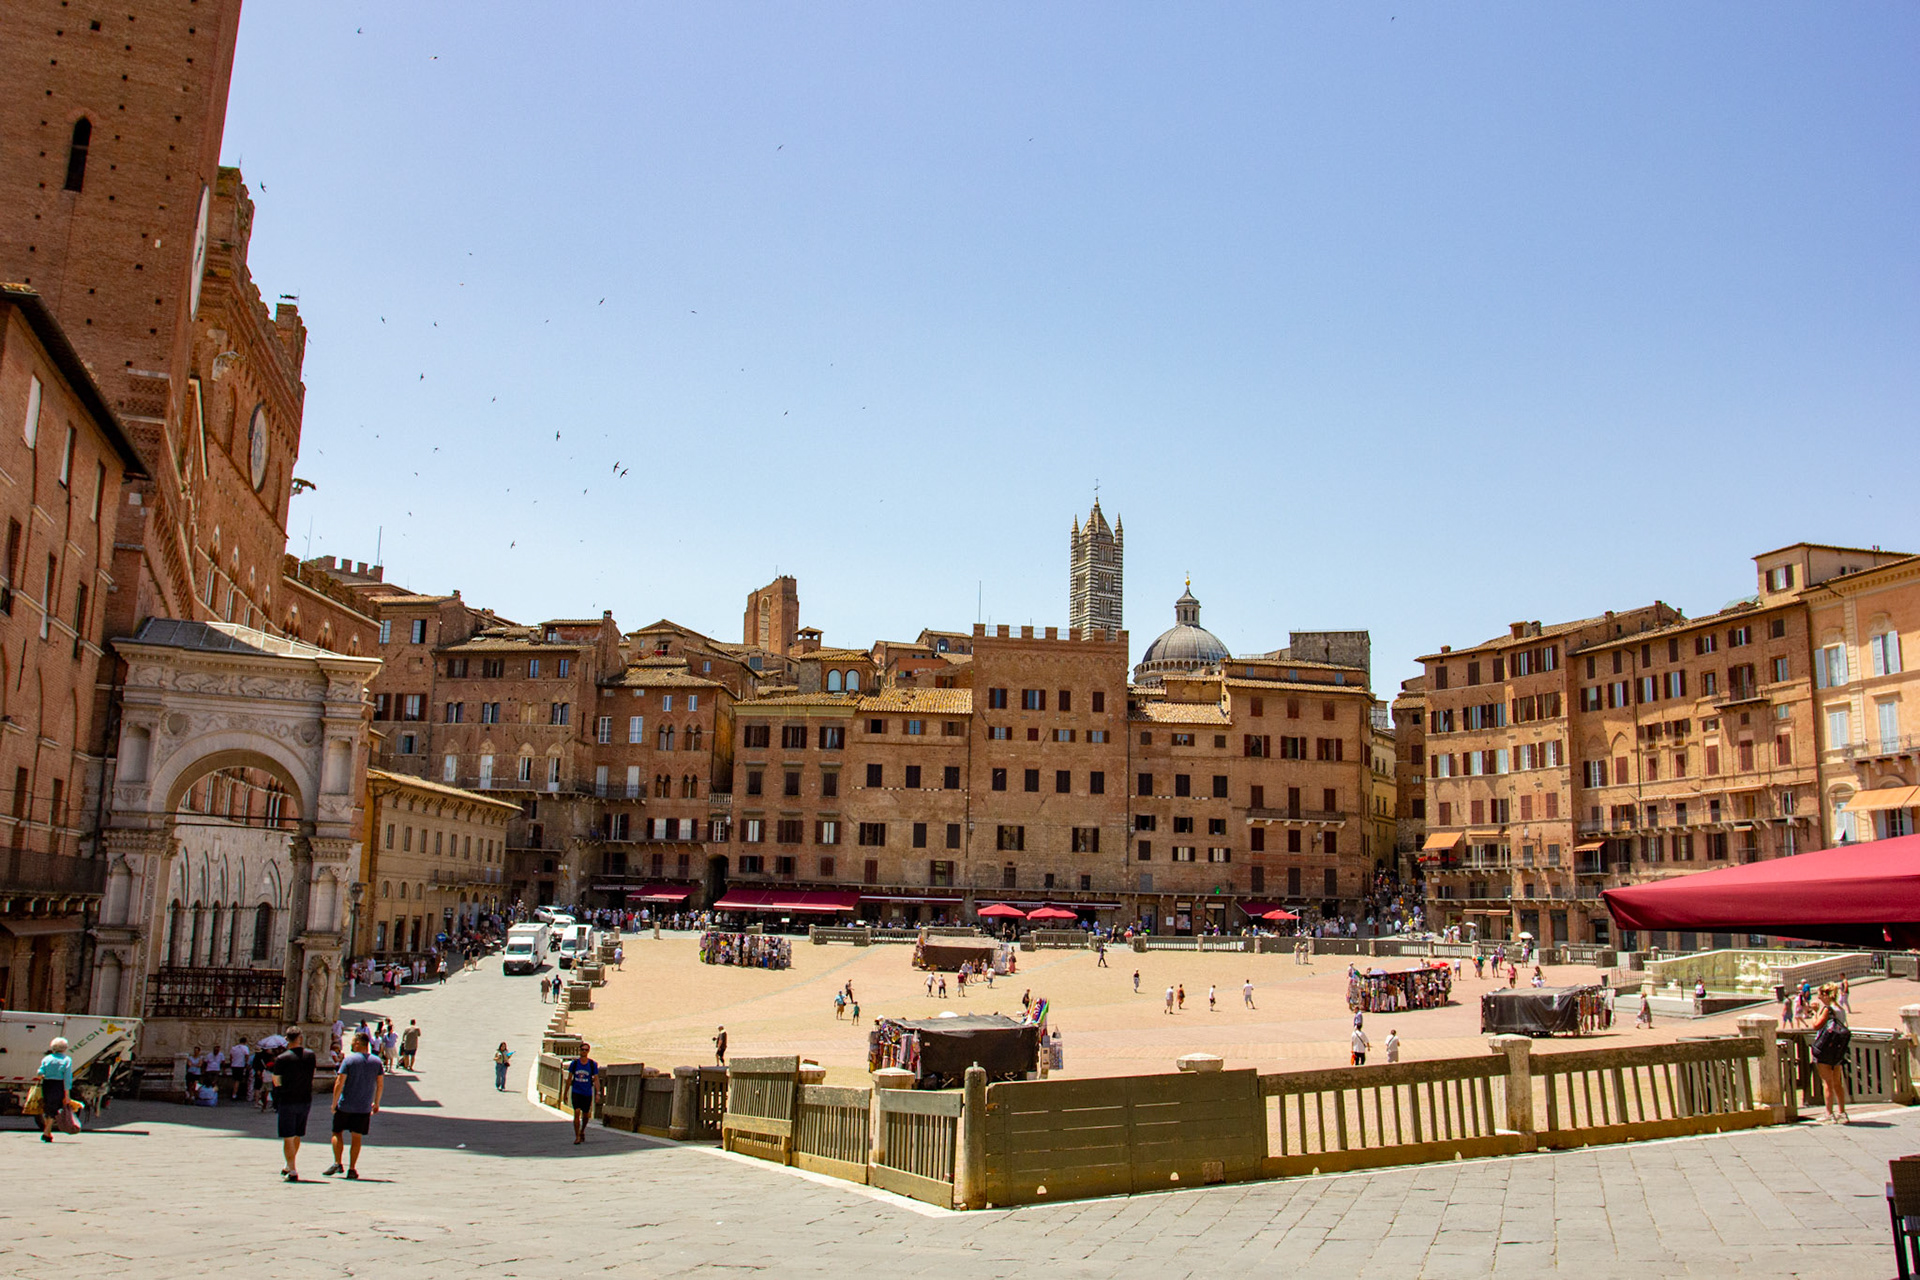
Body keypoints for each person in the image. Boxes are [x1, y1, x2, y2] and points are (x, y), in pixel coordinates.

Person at [326, 1031, 385, 1179]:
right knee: (356, 1137)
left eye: (352, 1042)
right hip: (364, 1107)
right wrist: (376, 1102)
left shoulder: (349, 1060)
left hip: (345, 1105)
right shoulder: (376, 1062)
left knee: (337, 1132)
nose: (351, 1045)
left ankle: (337, 1162)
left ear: (358, 1043)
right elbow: (380, 1084)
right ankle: (352, 1168)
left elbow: (339, 1083)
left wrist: (334, 1103)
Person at [270, 1028, 318, 1182]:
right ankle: (288, 1164)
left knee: (288, 1136)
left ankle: (292, 1169)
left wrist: (278, 1095)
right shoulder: (310, 1056)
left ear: (287, 1039)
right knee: (297, 1134)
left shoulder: (282, 1059)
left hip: (287, 1099)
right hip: (305, 1099)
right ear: (300, 1038)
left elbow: (276, 1081)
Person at [1810, 983, 1851, 1124]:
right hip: (1837, 1050)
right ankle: (1842, 1112)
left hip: (1825, 1049)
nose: (1819, 998)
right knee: (1837, 1082)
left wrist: (1814, 1012)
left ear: (1826, 995)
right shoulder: (1841, 1009)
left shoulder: (1827, 1009)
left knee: (1827, 1082)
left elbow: (1816, 1025)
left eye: (1820, 995)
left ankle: (1829, 1113)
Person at [36, 1037, 75, 1143]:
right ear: (65, 1048)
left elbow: (40, 1072)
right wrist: (67, 1094)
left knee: (48, 1107)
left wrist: (42, 1075)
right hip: (58, 1085)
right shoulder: (67, 1060)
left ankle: (47, 1133)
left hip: (47, 1084)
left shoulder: (47, 1058)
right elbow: (67, 1078)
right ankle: (46, 1132)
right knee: (54, 1109)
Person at [565, 1043, 600, 1144]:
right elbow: (569, 1079)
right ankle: (577, 1136)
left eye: (586, 1050)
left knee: (586, 1115)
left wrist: (598, 1093)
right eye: (582, 1049)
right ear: (579, 1051)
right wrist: (565, 1093)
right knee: (576, 1112)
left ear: (588, 1051)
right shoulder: (574, 1064)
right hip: (576, 1091)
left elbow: (596, 1079)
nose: (584, 1051)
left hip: (587, 1093)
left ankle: (582, 1130)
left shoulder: (592, 1064)